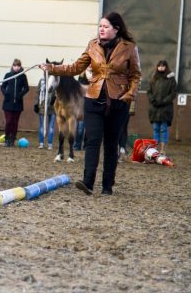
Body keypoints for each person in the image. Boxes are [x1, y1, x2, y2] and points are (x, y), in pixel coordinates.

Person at [41, 11, 142, 196]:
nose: (101, 30)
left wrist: (130, 94)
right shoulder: (92, 45)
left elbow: (136, 75)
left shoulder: (129, 47)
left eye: (105, 27)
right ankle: (88, 182)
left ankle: (107, 185)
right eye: (100, 26)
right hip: (94, 98)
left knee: (111, 143)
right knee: (92, 140)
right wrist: (53, 68)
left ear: (116, 29)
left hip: (119, 100)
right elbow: (76, 67)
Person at [147, 60, 177, 155]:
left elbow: (173, 93)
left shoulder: (171, 80)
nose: (161, 67)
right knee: (155, 128)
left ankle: (163, 149)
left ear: (166, 67)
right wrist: (153, 100)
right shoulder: (153, 78)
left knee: (163, 128)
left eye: (163, 66)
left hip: (165, 109)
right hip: (154, 108)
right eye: (159, 66)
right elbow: (149, 92)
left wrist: (164, 101)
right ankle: (155, 149)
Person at [1, 58, 29, 147]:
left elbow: (26, 88)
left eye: (18, 66)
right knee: (8, 121)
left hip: (18, 104)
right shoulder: (8, 75)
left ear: (20, 67)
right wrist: (6, 94)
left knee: (15, 122)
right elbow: (2, 86)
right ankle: (7, 139)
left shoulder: (23, 76)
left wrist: (20, 95)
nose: (16, 67)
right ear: (12, 66)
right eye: (15, 65)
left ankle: (12, 139)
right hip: (8, 103)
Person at [34, 75, 55, 149]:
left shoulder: (55, 81)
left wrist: (54, 101)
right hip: (42, 106)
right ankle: (41, 143)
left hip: (52, 107)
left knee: (51, 127)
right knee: (42, 126)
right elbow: (37, 92)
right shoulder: (42, 81)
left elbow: (57, 93)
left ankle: (49, 144)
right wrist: (36, 104)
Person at [73, 71, 90, 150]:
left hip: (87, 109)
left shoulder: (90, 86)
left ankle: (80, 145)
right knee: (80, 128)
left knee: (84, 129)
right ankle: (78, 145)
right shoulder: (80, 86)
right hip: (81, 110)